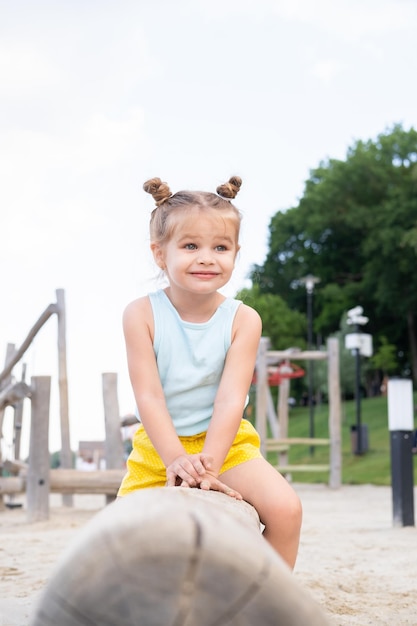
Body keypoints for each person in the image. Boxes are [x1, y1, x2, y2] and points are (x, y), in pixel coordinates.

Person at [117, 175, 302, 569]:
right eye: (190, 246)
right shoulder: (141, 314)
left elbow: (231, 398)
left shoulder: (243, 319)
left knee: (287, 510)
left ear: (236, 252)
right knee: (121, 535)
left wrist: (209, 466)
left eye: (220, 247)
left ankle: (267, 602)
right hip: (159, 445)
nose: (206, 257)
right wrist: (176, 461)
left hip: (227, 444)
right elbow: (149, 397)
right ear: (159, 253)